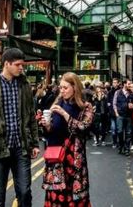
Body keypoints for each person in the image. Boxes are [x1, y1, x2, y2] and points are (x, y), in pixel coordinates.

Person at [0, 48, 40, 207]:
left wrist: (35, 143)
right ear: (6, 64)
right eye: (17, 65)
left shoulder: (24, 85)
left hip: (20, 148)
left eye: (22, 65)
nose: (21, 68)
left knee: (24, 192)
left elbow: (30, 116)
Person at [39, 72, 94, 206]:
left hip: (74, 159)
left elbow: (83, 128)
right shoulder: (57, 102)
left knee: (75, 196)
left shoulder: (85, 107)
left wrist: (64, 114)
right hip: (56, 157)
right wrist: (46, 125)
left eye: (65, 88)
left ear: (75, 87)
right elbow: (51, 131)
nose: (62, 91)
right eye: (61, 87)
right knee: (56, 194)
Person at [113, 79, 133, 156]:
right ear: (124, 84)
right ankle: (121, 146)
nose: (130, 85)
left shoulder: (131, 93)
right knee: (119, 131)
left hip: (128, 116)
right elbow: (114, 103)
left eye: (130, 84)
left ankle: (127, 149)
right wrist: (116, 113)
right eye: (128, 84)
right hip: (120, 115)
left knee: (128, 133)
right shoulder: (117, 92)